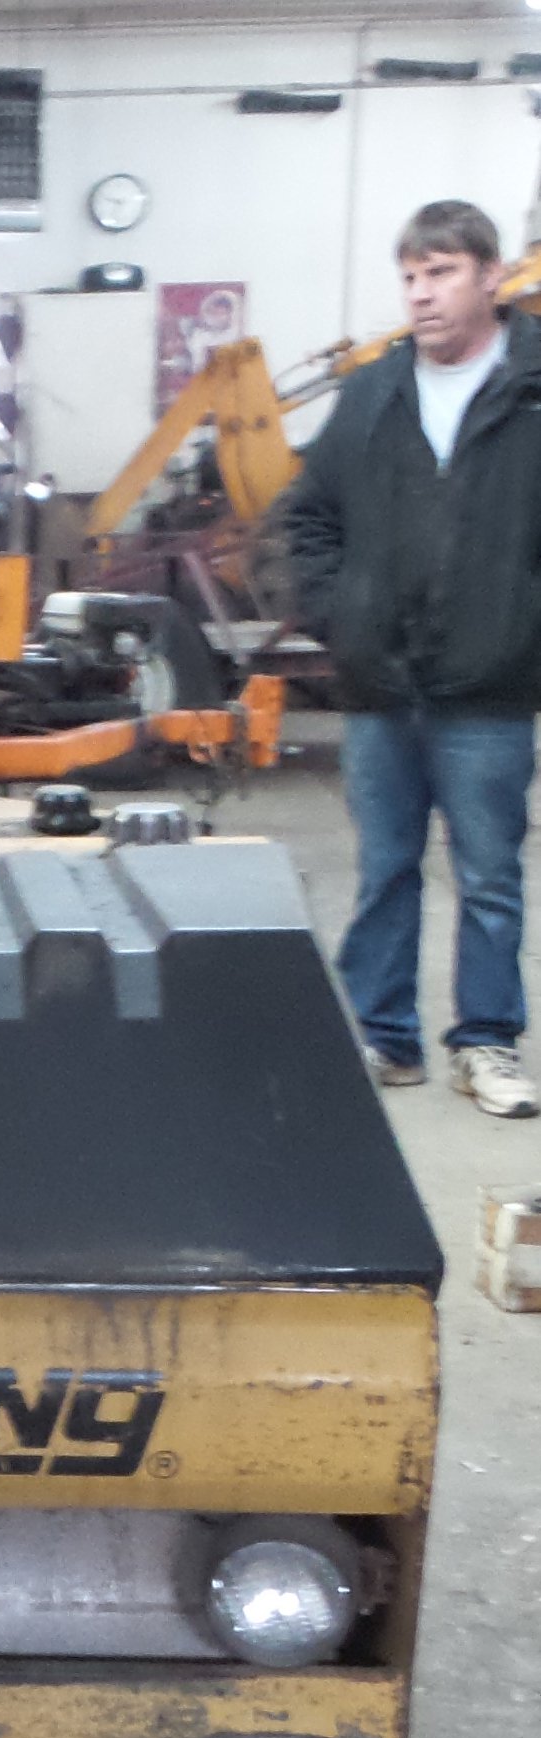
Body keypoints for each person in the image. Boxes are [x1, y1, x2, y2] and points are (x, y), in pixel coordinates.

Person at [284, 199, 541, 1118]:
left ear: (491, 277)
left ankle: (485, 1043)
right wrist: (341, 617)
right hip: (381, 686)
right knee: (385, 867)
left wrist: (520, 627)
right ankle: (381, 1034)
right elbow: (306, 518)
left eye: (441, 273)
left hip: (490, 688)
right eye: (410, 277)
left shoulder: (532, 391)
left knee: (489, 878)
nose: (422, 294)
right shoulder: (373, 394)